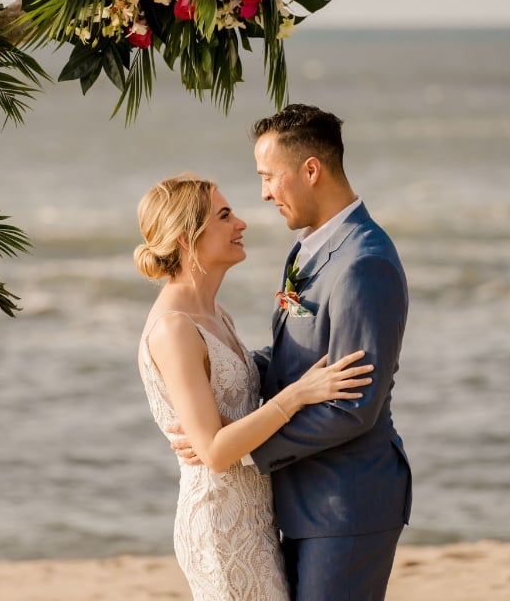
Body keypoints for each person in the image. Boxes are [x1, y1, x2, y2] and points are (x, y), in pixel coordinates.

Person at [175, 104, 412, 600]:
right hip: (302, 500)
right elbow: (294, 357)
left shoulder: (363, 264)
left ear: (310, 170)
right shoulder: (307, 248)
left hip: (345, 503)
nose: (263, 194)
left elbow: (352, 408)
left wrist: (235, 453)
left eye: (269, 177)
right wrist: (221, 379)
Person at [134, 172, 375, 601]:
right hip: (221, 528)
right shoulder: (174, 329)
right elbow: (214, 452)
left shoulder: (215, 314)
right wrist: (298, 394)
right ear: (188, 238)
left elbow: (233, 408)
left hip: (255, 518)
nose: (240, 223)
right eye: (224, 216)